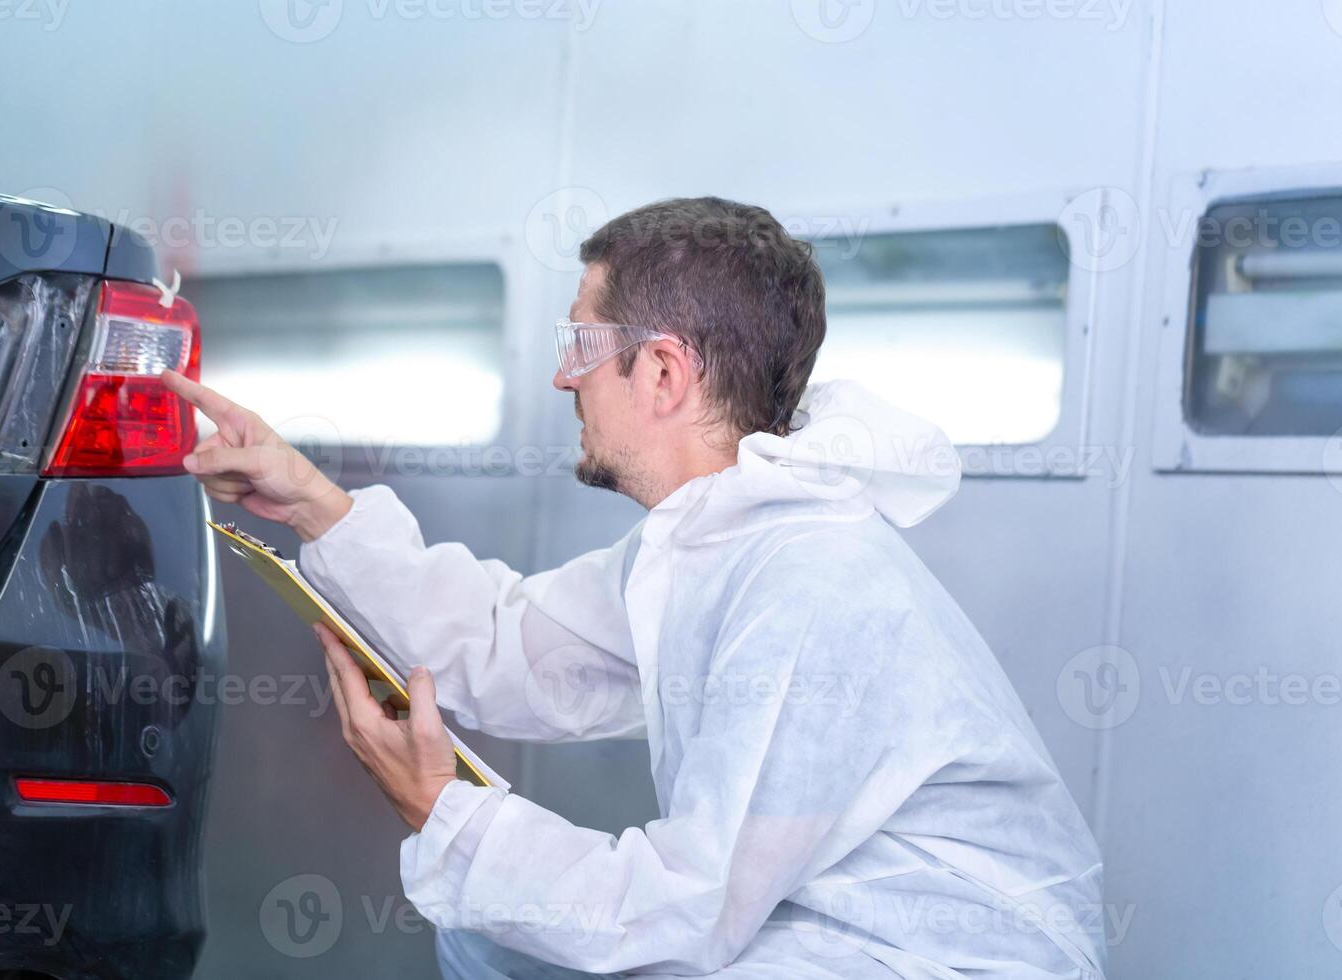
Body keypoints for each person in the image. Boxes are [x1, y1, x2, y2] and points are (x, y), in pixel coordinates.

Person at [164, 197, 1105, 979]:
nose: (562, 377)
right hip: (824, 933)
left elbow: (691, 909)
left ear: (661, 371)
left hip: (928, 959)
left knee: (511, 930)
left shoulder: (807, 579)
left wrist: (442, 810)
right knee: (488, 939)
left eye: (582, 342)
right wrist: (314, 502)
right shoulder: (716, 542)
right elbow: (510, 648)